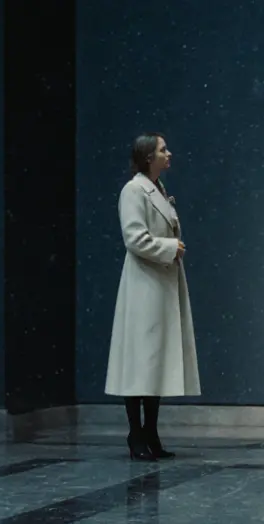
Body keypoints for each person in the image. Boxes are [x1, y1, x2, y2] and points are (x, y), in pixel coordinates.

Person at [104, 132, 201, 461]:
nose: (168, 153)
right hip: (144, 285)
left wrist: (170, 249)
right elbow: (134, 238)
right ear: (149, 157)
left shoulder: (158, 190)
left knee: (155, 361)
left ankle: (151, 433)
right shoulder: (134, 191)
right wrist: (171, 248)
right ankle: (136, 434)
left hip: (160, 282)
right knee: (140, 363)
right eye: (163, 149)